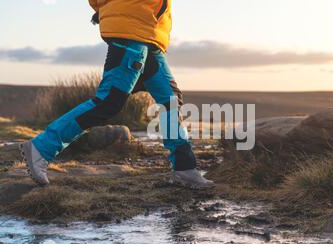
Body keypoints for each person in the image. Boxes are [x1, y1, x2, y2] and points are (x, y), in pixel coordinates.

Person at [19, 0, 214, 189]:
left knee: (171, 100)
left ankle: (185, 168)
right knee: (108, 101)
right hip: (132, 30)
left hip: (150, 34)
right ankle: (42, 147)